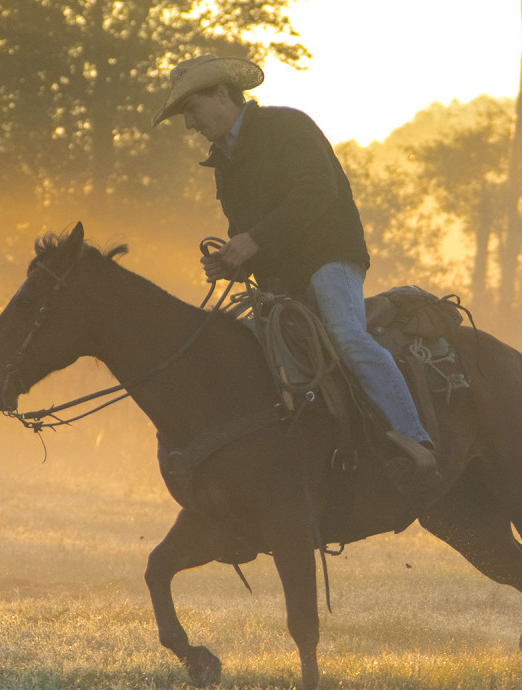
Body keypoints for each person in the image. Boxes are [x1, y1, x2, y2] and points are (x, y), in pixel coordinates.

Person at [153, 55, 437, 489]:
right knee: (239, 352)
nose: (190, 124)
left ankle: (417, 443)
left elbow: (315, 194)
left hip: (330, 258)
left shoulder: (287, 127)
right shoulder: (224, 163)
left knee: (345, 334)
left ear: (222, 94)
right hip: (279, 281)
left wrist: (254, 240)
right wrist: (232, 262)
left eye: (191, 109)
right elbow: (244, 234)